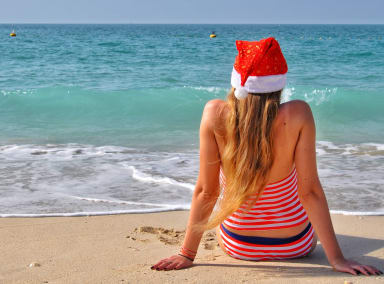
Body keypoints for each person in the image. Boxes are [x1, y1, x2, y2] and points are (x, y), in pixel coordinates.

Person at [151, 38, 382, 276]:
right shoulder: (298, 114)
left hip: (238, 245)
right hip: (295, 244)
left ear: (236, 81)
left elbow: (206, 192)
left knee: (226, 212)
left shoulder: (214, 113)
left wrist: (186, 254)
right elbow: (309, 192)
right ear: (279, 83)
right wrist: (337, 259)